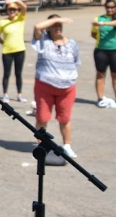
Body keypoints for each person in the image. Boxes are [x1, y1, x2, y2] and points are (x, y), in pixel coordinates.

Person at [32, 15, 80, 158]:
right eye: (54, 25)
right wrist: (55, 20)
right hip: (45, 86)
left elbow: (76, 62)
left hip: (67, 88)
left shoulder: (72, 44)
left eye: (59, 25)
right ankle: (43, 146)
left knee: (65, 118)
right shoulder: (43, 42)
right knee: (42, 118)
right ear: (49, 27)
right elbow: (37, 27)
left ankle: (67, 146)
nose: (57, 27)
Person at [91, 0, 116, 108]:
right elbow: (93, 33)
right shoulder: (98, 18)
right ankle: (100, 98)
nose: (110, 9)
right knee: (100, 74)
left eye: (112, 7)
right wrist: (102, 39)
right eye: (108, 7)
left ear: (115, 8)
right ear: (105, 7)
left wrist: (102, 23)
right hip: (101, 50)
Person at [0, 0, 29, 103]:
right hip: (7, 51)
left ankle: (19, 94)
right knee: (7, 73)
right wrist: (3, 42)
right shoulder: (2, 22)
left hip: (20, 50)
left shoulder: (20, 19)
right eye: (10, 10)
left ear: (17, 11)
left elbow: (25, 7)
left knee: (18, 73)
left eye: (14, 10)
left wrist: (15, 0)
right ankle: (5, 94)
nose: (12, 12)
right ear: (7, 11)